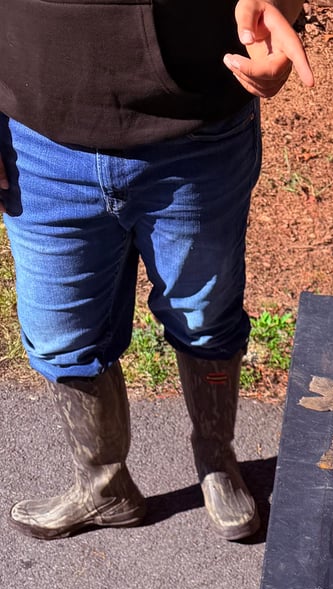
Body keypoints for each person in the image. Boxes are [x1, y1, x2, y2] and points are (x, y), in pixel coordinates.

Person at [0, 1, 313, 542]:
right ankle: (104, 488)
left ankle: (216, 460)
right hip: (37, 143)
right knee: (60, 336)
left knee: (204, 318)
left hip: (197, 134)